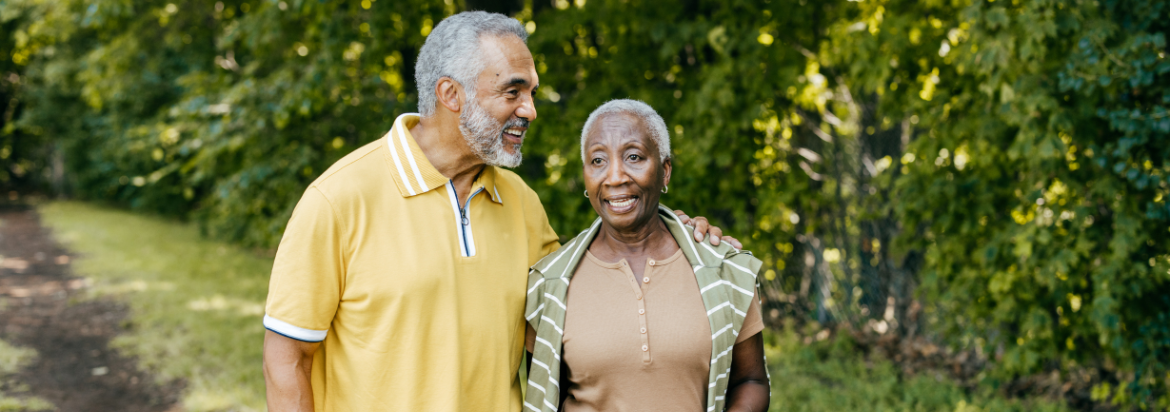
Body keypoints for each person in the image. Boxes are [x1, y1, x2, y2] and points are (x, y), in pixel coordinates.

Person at [262, 12, 737, 412]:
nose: (529, 110)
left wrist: (674, 244)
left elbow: (572, 326)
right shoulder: (339, 198)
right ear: (451, 95)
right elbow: (287, 358)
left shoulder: (522, 202)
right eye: (513, 93)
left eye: (529, 92)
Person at [524, 100, 770, 412]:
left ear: (665, 170)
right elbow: (547, 398)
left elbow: (750, 381)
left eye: (634, 157)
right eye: (598, 160)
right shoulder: (550, 284)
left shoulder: (723, 268)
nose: (615, 177)